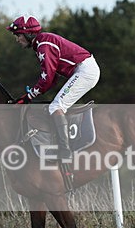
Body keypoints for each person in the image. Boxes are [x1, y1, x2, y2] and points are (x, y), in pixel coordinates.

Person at [7, 15, 100, 161]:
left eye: (18, 35)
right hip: (84, 69)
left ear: (28, 34)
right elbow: (52, 80)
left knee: (56, 106)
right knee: (55, 105)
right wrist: (31, 95)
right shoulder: (42, 42)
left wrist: (28, 97)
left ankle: (65, 151)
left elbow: (47, 78)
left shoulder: (44, 45)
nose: (17, 40)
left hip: (85, 71)